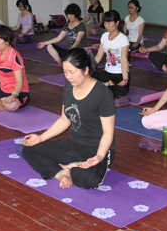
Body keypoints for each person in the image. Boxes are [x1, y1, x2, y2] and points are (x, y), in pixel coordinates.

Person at [21, 48, 115, 190]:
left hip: (96, 148)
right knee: (29, 150)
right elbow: (65, 120)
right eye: (65, 72)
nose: (68, 76)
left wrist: (100, 156)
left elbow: (108, 131)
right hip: (74, 144)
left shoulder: (102, 94)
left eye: (72, 72)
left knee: (87, 180)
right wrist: (40, 138)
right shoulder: (68, 88)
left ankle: (71, 167)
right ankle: (61, 172)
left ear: (85, 70)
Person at [94, 10, 130, 104]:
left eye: (109, 23)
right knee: (89, 77)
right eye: (105, 23)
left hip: (119, 74)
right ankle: (107, 85)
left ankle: (107, 85)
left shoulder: (123, 39)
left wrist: (125, 78)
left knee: (123, 91)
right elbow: (98, 56)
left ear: (117, 23)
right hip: (107, 72)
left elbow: (124, 60)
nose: (107, 26)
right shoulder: (104, 36)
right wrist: (88, 69)